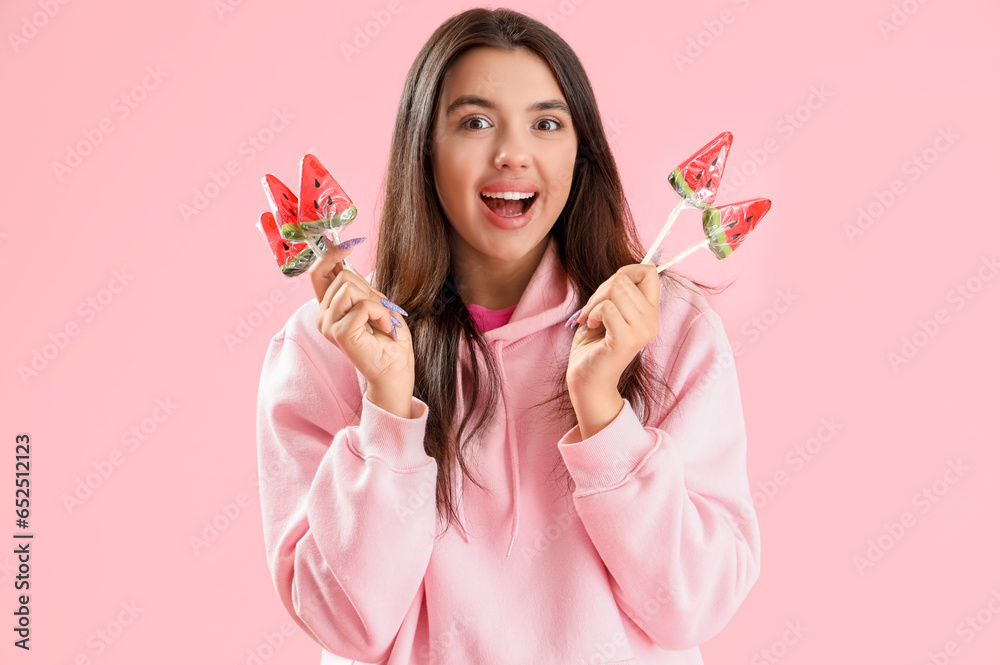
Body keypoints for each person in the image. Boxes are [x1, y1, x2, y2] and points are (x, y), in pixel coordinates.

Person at [256, 7, 760, 664]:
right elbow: (346, 623)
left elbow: (695, 601)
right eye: (474, 122)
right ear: (423, 148)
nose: (512, 153)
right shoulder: (326, 348)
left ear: (581, 154)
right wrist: (385, 405)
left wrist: (604, 412)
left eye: (547, 123)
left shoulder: (670, 332)